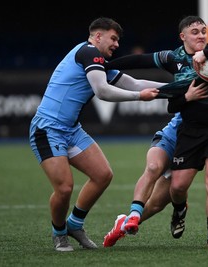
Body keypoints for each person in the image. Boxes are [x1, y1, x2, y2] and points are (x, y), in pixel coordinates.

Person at [29, 17, 168, 252]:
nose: (116, 44)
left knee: (103, 175)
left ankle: (74, 224)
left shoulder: (97, 61)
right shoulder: (88, 52)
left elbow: (134, 83)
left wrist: (178, 89)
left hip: (70, 130)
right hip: (48, 129)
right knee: (64, 188)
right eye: (113, 38)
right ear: (97, 36)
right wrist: (139, 98)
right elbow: (103, 91)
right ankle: (59, 232)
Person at [103, 15, 208, 249]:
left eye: (203, 31)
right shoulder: (172, 57)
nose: (200, 35)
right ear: (183, 36)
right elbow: (141, 62)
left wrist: (207, 54)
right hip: (185, 128)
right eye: (194, 32)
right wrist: (105, 65)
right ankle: (150, 214)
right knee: (170, 183)